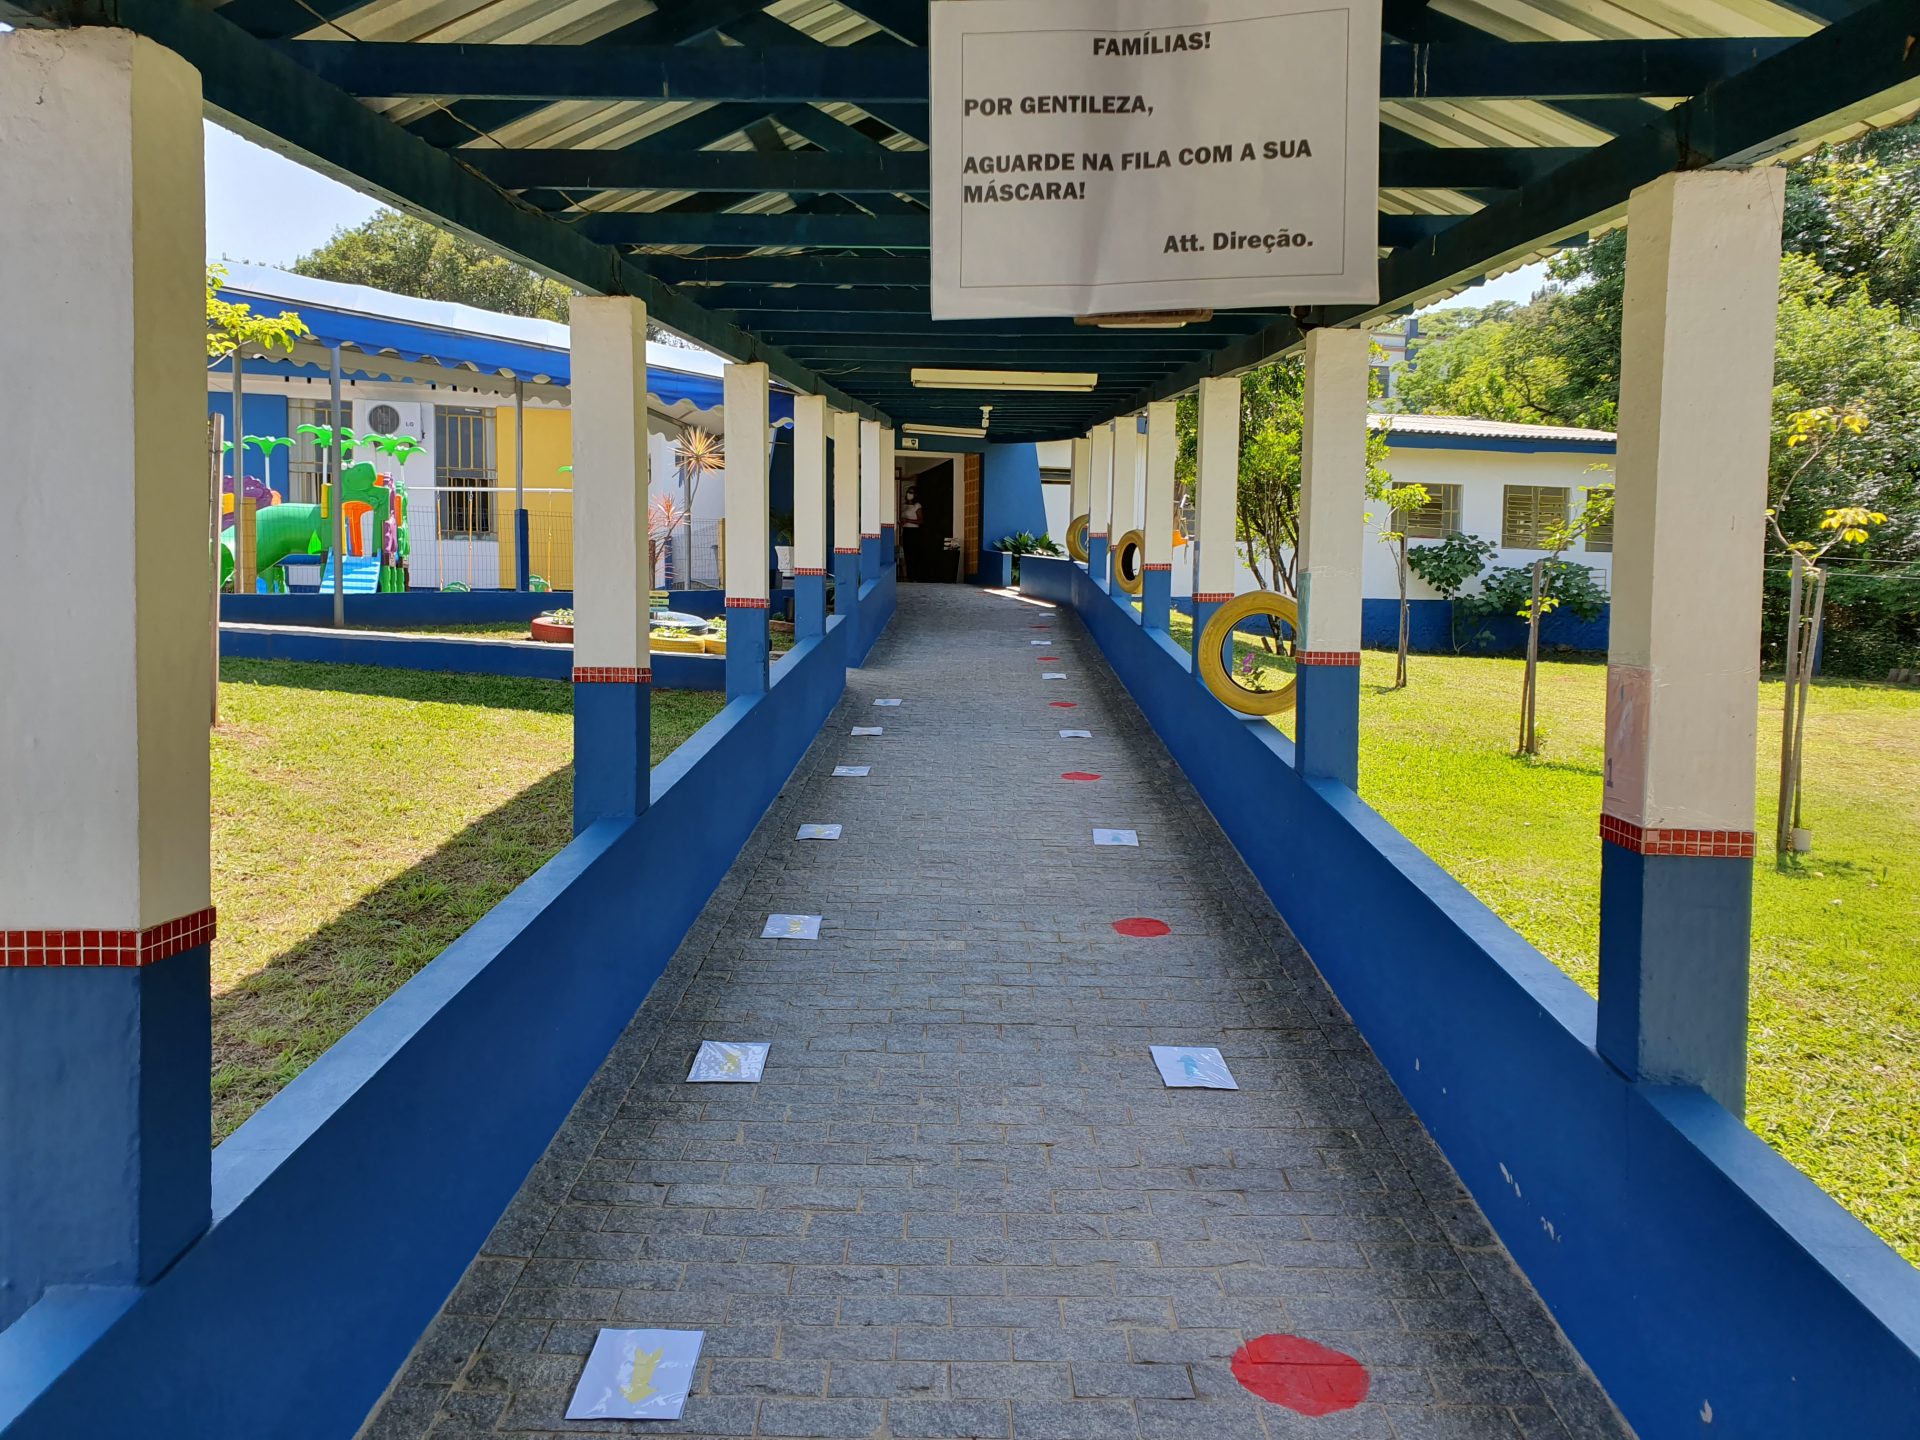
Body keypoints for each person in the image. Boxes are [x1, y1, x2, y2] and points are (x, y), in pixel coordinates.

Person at [899, 483, 922, 578]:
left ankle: (915, 576)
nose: (909, 494)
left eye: (911, 492)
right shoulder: (904, 506)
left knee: (913, 553)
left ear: (915, 494)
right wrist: (902, 523)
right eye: (908, 492)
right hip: (906, 530)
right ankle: (909, 575)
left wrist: (908, 520)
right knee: (906, 553)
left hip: (914, 532)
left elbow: (921, 521)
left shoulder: (917, 505)